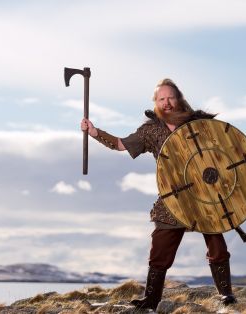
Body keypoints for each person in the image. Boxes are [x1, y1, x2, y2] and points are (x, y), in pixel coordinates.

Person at [80, 78, 237, 310]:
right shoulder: (151, 131)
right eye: (161, 99)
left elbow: (225, 149)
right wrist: (94, 132)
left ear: (179, 98)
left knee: (217, 246)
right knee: (160, 250)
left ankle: (226, 294)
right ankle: (151, 299)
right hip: (172, 198)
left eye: (170, 97)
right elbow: (121, 144)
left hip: (204, 195)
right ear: (155, 102)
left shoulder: (199, 124)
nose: (166, 103)